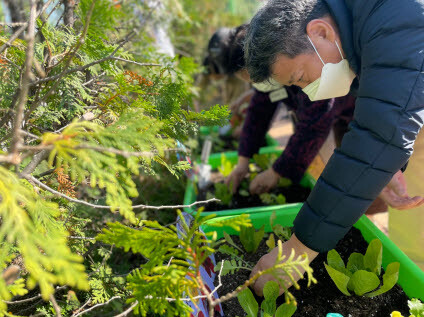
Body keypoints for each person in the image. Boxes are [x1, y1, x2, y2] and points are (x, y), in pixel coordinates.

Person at [244, 0, 424, 296]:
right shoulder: (362, 28)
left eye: (300, 78)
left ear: (321, 32)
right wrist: (385, 164)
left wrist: (298, 250)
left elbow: (382, 132)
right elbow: (386, 118)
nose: (307, 92)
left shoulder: (394, 16)